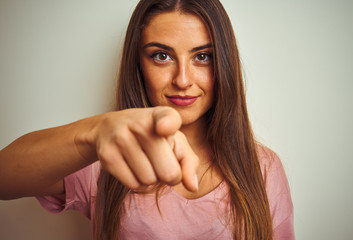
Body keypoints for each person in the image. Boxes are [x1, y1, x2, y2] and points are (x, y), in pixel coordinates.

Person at [0, 0, 294, 239]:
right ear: (138, 64)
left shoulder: (263, 168)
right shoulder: (108, 155)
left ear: (224, 65)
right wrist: (94, 132)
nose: (182, 80)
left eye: (202, 57)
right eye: (161, 56)